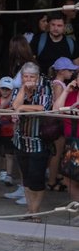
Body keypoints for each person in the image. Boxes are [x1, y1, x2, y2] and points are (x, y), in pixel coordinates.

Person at [10, 62, 54, 221]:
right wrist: (23, 90)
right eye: (25, 76)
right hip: (21, 141)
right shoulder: (18, 90)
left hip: (38, 142)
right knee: (26, 178)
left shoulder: (44, 89)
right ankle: (30, 210)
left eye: (32, 77)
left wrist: (22, 108)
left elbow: (43, 107)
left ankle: (35, 211)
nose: (28, 79)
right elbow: (14, 105)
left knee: (37, 178)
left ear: (37, 77)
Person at [46, 57, 78, 192]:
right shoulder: (59, 85)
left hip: (66, 126)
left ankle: (55, 177)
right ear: (61, 71)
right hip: (60, 125)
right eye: (70, 71)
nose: (72, 73)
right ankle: (52, 180)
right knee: (57, 153)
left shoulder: (59, 83)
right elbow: (57, 107)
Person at [52, 72, 79, 205]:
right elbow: (56, 110)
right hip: (71, 143)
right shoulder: (72, 94)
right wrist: (66, 90)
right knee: (68, 179)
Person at [0, 76, 17, 187]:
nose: (5, 91)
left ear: (12, 90)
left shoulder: (15, 102)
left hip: (10, 132)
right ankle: (3, 170)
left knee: (9, 154)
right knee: (1, 153)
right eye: (3, 89)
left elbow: (15, 111)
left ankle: (9, 174)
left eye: (8, 89)